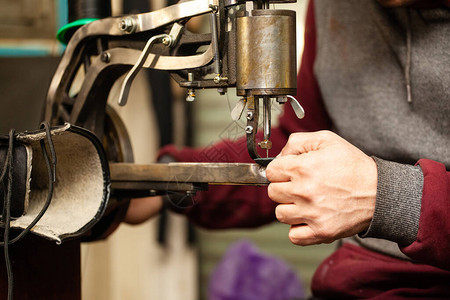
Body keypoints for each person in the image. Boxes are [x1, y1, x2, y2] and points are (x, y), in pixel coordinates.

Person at [125, 0, 450, 297]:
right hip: (359, 282)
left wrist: (388, 199)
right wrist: (171, 178)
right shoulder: (332, 8)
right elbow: (295, 146)